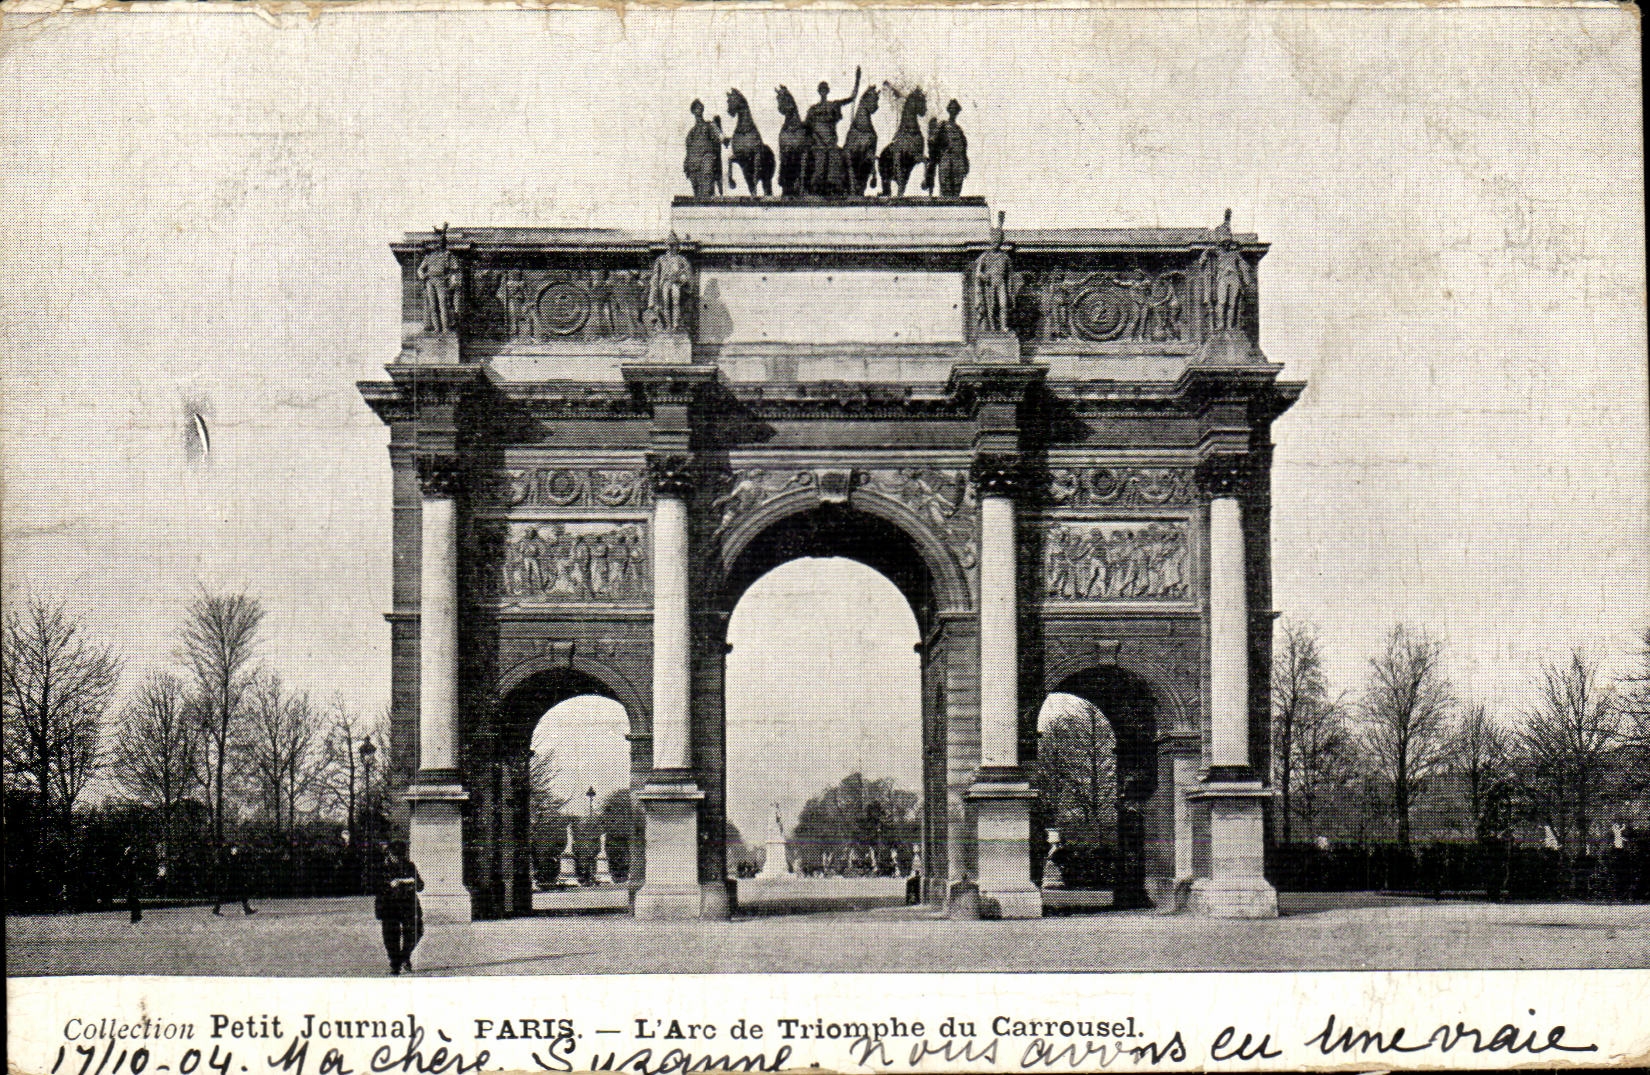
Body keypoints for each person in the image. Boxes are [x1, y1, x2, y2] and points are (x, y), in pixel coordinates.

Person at [376, 839, 424, 975]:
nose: (398, 858)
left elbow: (420, 885)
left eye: (401, 855)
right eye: (395, 855)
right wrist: (388, 885)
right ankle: (395, 964)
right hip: (389, 905)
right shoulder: (381, 867)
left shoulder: (409, 866)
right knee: (391, 936)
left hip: (408, 905)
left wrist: (407, 881)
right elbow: (372, 885)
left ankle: (404, 956)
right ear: (389, 853)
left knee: (417, 931)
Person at [213, 842, 256, 916]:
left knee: (231, 892)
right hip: (233, 873)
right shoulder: (232, 849)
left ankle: (217, 908)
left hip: (232, 873)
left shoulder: (227, 849)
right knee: (236, 891)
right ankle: (216, 908)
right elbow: (234, 859)